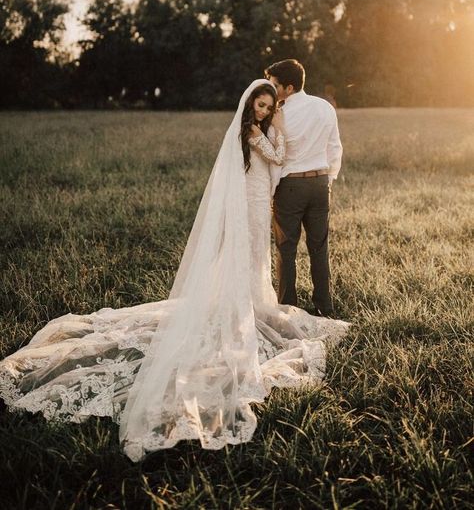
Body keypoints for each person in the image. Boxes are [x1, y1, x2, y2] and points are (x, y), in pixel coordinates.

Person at [0, 80, 349, 461]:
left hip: (259, 194)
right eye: (262, 106)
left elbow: (274, 162)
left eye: (269, 107)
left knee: (256, 257)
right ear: (252, 106)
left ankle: (250, 302)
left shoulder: (259, 129)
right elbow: (278, 157)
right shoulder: (252, 130)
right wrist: (278, 128)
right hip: (250, 200)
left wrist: (276, 130)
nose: (266, 111)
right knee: (250, 255)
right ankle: (244, 306)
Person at [265, 60, 343, 316]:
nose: (270, 89)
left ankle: (288, 308)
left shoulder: (279, 114)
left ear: (288, 87)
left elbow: (278, 157)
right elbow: (335, 147)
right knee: (319, 248)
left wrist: (271, 190)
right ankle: (325, 306)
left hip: (291, 185)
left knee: (286, 249)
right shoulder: (325, 107)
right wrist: (328, 178)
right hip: (321, 184)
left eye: (275, 85)